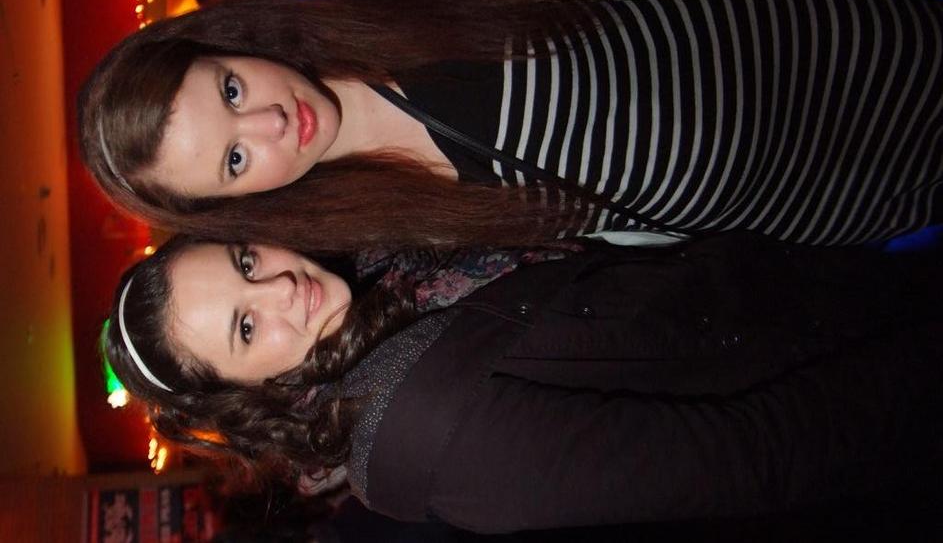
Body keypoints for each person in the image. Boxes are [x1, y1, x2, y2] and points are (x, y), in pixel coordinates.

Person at [80, 0, 943, 253]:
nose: (271, 123)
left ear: (228, 44)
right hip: (829, 204)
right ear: (241, 204)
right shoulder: (394, 234)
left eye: (231, 91)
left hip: (847, 56)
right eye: (234, 160)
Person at [103, 231, 943, 532]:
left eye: (245, 261)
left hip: (801, 292)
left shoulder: (376, 281)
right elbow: (749, 455)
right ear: (243, 396)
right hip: (871, 372)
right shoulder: (417, 434)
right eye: (246, 329)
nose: (282, 288)